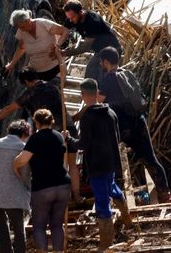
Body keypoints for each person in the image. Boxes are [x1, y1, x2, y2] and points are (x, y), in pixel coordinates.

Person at [0, 65, 81, 200]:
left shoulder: (29, 94)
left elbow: (9, 109)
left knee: (54, 166)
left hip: (50, 135)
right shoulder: (53, 85)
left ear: (26, 82)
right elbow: (63, 71)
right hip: (68, 128)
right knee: (72, 165)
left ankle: (58, 197)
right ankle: (77, 195)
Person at [64, 79, 132, 252]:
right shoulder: (110, 112)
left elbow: (83, 145)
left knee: (102, 203)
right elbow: (116, 138)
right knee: (111, 188)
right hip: (110, 161)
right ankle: (126, 217)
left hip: (97, 164)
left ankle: (106, 244)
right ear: (96, 92)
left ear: (84, 95)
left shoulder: (88, 118)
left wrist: (68, 140)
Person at [97, 46, 171, 203]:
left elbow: (99, 100)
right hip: (138, 121)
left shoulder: (108, 79)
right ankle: (165, 193)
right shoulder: (128, 73)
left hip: (121, 126)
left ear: (106, 62)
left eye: (101, 62)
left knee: (113, 163)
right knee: (150, 158)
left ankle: (115, 198)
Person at [13, 109, 71, 253]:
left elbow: (22, 160)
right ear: (51, 121)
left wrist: (15, 163)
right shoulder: (59, 136)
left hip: (43, 187)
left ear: (36, 123)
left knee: (39, 225)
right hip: (63, 185)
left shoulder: (35, 139)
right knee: (57, 224)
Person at [0, 119, 31, 253]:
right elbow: (26, 173)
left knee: (1, 231)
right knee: (19, 231)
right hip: (15, 195)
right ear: (24, 134)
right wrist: (28, 188)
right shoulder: (23, 148)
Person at [62, 0, 123, 82]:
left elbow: (85, 48)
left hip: (112, 49)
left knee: (93, 72)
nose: (70, 20)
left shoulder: (93, 22)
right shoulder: (72, 17)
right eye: (68, 17)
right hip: (100, 50)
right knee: (93, 72)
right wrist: (58, 45)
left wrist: (67, 53)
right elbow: (64, 30)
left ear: (80, 12)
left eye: (72, 17)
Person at [5, 9, 69, 81]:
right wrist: (12, 63)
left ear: (28, 20)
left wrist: (57, 46)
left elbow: (65, 31)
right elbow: (21, 48)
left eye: (22, 27)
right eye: (19, 28)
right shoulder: (21, 31)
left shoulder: (43, 24)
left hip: (55, 68)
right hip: (37, 72)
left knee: (54, 90)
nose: (22, 30)